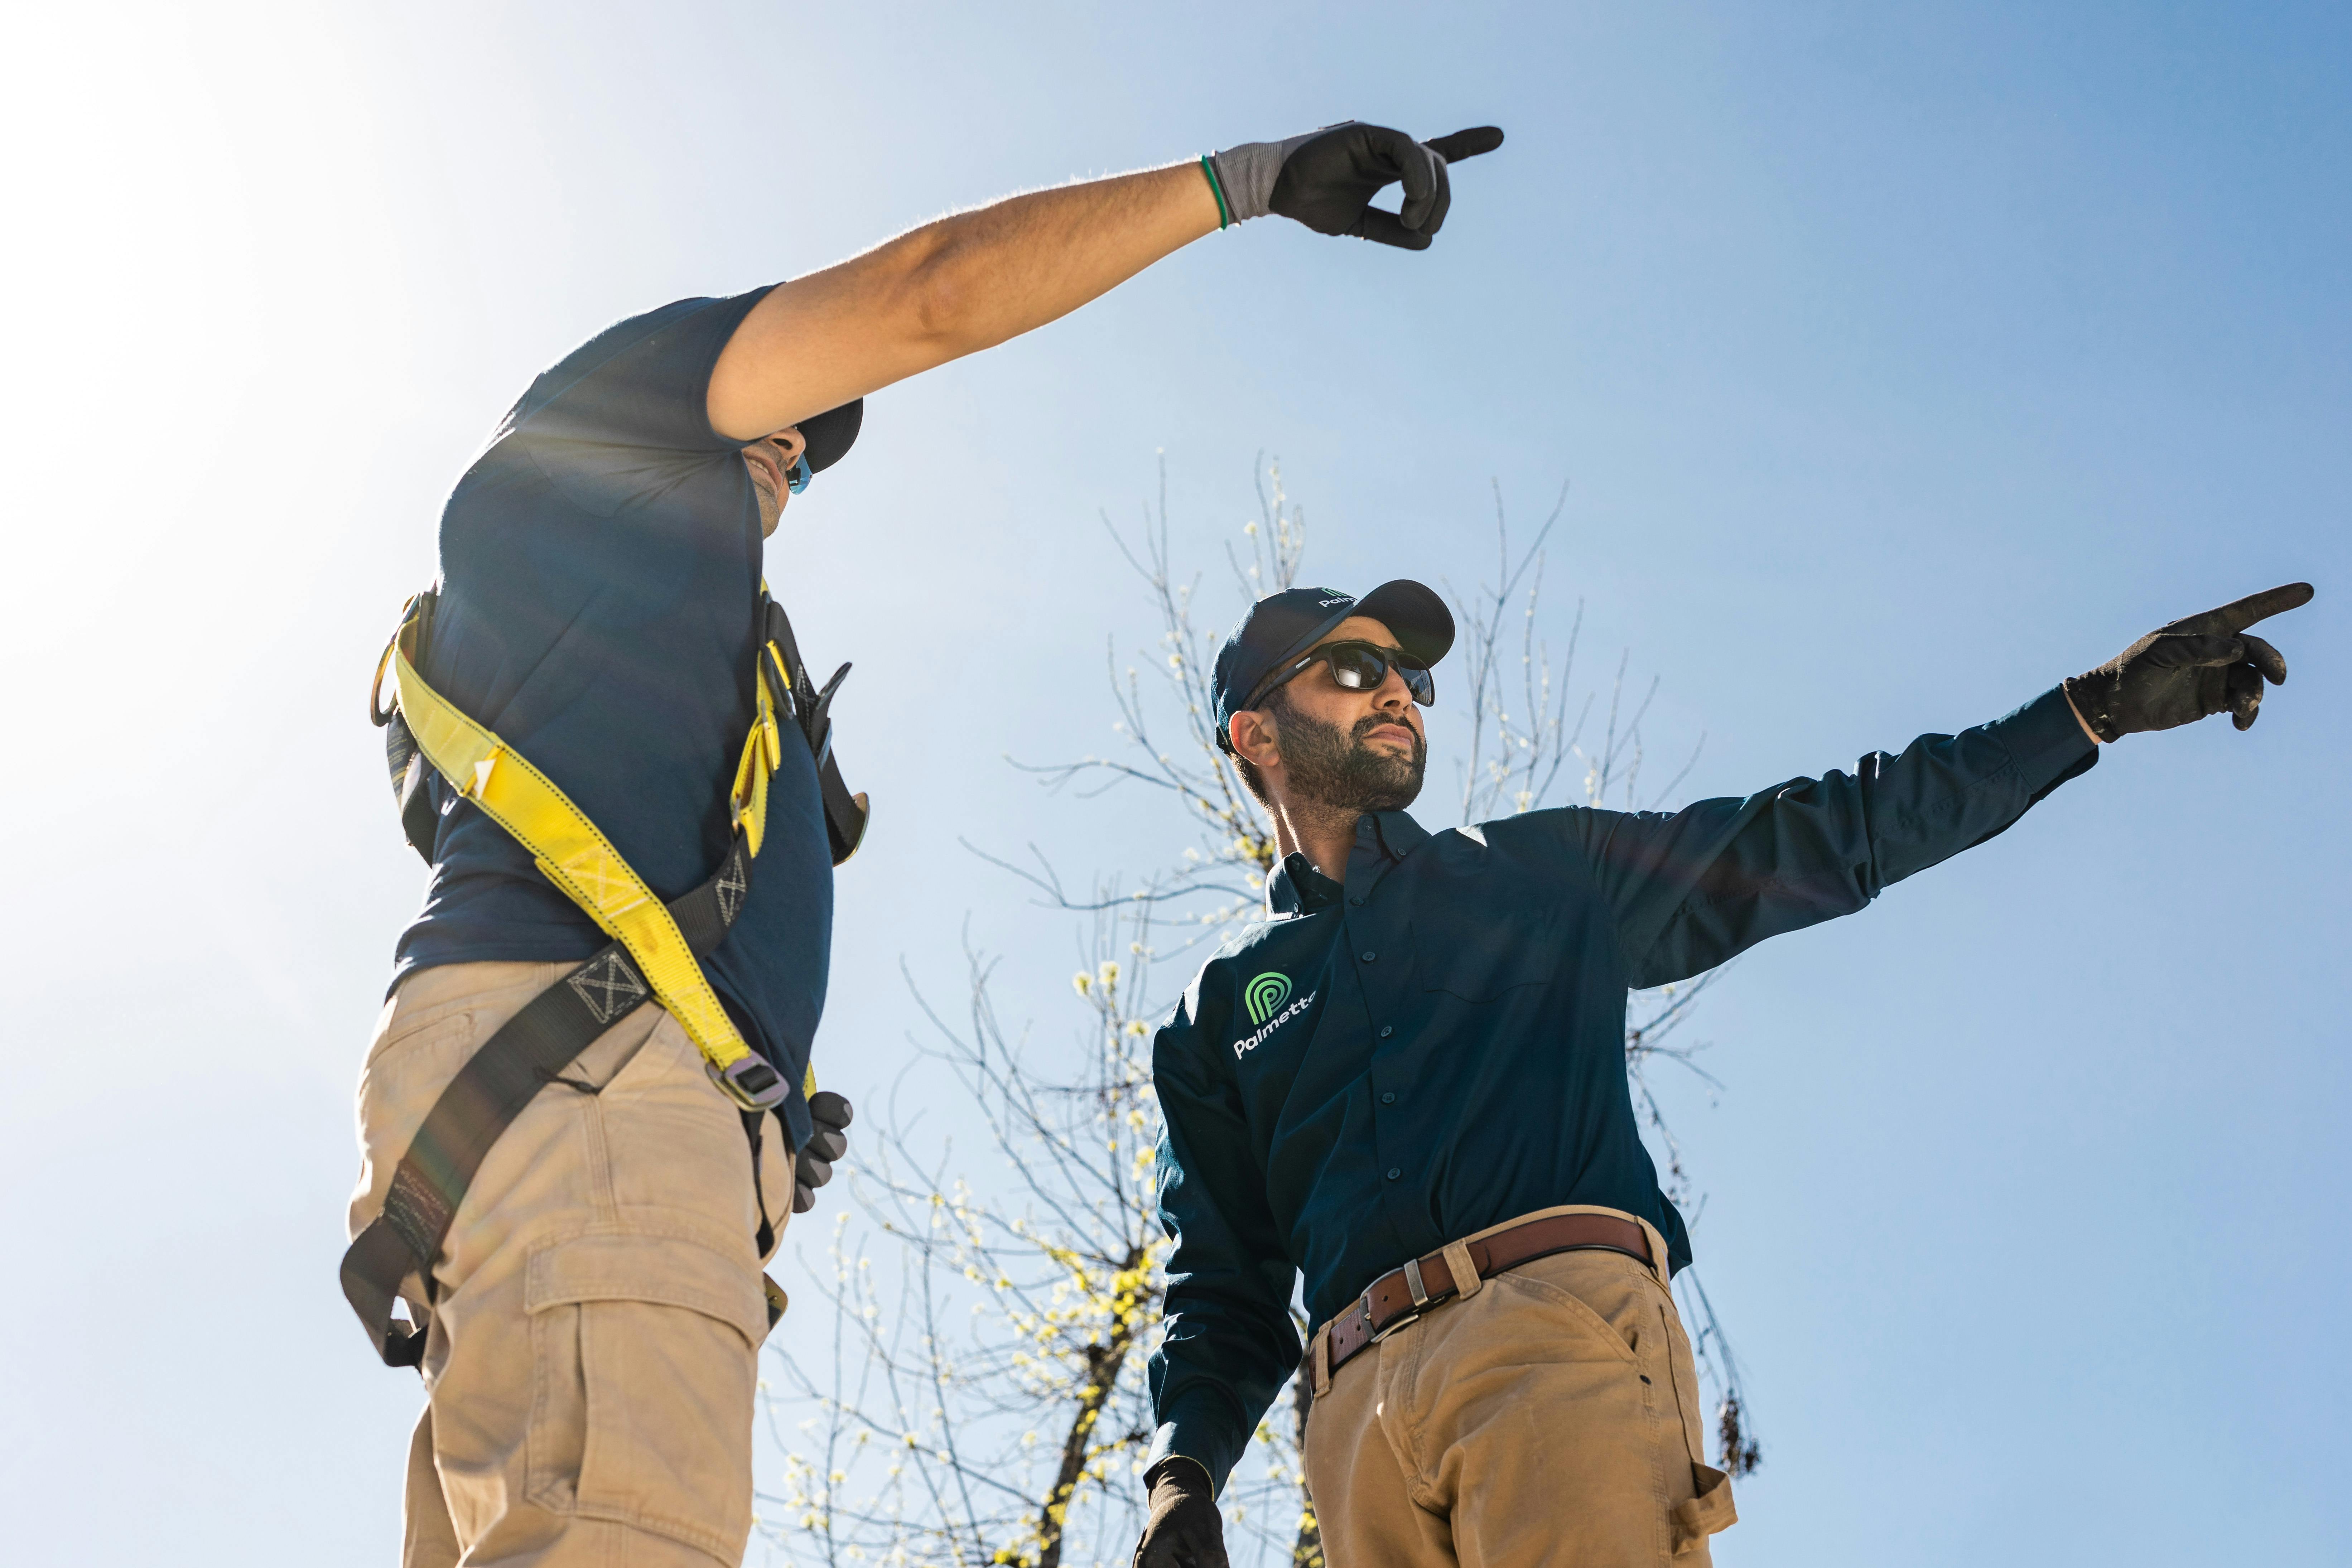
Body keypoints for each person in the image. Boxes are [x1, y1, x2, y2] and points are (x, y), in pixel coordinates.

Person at [343, 122, 1505, 1568]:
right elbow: (934, 290)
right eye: (779, 422)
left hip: (570, 1110)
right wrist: (1249, 184)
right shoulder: (590, 442)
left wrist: (752, 1106)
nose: (788, 458)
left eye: (807, 460)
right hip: (586, 1105)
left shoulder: (647, 643)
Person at [1133, 578, 2313, 1568]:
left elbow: (1830, 830)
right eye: (1349, 666)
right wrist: (1183, 1475)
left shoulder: (1547, 873)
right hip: (1352, 1432)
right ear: (1256, 732)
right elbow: (1225, 1284)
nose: (1395, 687)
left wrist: (2087, 711)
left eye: (1409, 674)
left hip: (1551, 1343)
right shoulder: (1217, 1013)